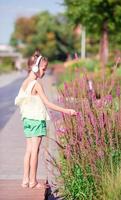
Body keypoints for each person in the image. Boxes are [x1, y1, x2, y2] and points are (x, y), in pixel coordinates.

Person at [14, 50, 77, 189]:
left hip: (27, 120)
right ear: (35, 68)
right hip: (36, 120)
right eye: (43, 69)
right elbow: (48, 103)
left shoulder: (24, 83)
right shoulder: (36, 84)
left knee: (29, 150)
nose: (44, 72)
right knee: (35, 150)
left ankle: (25, 180)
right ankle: (33, 181)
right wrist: (66, 111)